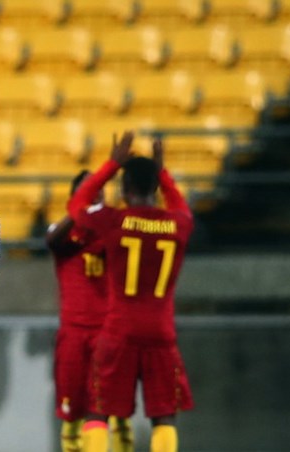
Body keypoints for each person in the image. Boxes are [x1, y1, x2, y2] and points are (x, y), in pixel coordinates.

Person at [66, 132, 194, 452]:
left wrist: (111, 164)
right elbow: (181, 207)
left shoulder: (114, 220)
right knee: (164, 415)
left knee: (98, 409)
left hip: (119, 330)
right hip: (161, 333)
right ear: (155, 188)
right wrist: (163, 174)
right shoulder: (178, 223)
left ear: (124, 190)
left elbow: (77, 204)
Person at [47, 171, 133, 452]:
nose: (96, 196)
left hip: (109, 333)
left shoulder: (114, 231)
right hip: (73, 335)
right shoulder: (61, 232)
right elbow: (52, 242)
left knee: (113, 412)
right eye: (89, 191)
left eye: (100, 190)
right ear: (76, 198)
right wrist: (80, 212)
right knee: (71, 412)